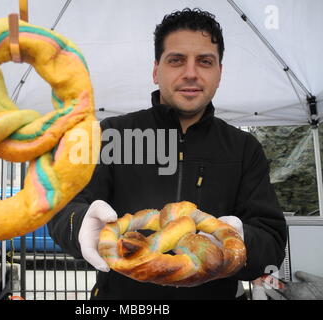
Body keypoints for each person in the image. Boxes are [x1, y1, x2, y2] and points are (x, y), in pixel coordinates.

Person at [48, 8, 287, 300]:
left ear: (219, 73)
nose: (190, 73)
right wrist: (79, 222)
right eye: (176, 60)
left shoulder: (244, 149)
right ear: (155, 70)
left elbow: (272, 241)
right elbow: (64, 207)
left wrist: (240, 237)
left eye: (205, 61)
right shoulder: (111, 135)